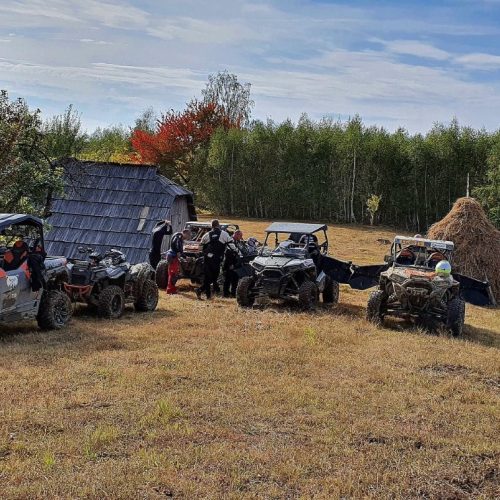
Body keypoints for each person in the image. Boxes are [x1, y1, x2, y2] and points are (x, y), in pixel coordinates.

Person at [196, 219, 232, 299]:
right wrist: (236, 251)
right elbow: (231, 244)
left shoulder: (206, 235)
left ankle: (202, 291)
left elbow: (200, 247)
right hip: (217, 260)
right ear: (218, 225)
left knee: (208, 277)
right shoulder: (224, 234)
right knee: (213, 277)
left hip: (207, 259)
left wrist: (206, 254)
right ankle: (206, 294)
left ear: (211, 226)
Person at [166, 228, 191, 295]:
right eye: (188, 235)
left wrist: (183, 256)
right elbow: (176, 245)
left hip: (173, 256)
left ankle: (172, 289)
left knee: (174, 273)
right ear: (185, 233)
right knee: (172, 274)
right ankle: (170, 290)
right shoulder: (178, 237)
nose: (188, 237)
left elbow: (179, 249)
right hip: (172, 256)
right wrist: (178, 252)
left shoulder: (178, 236)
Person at [223, 230, 245, 298]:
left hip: (236, 263)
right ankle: (226, 294)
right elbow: (228, 254)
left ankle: (233, 293)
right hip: (229, 263)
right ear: (236, 234)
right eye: (240, 236)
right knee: (228, 279)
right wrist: (230, 264)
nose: (241, 237)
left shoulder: (238, 242)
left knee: (235, 279)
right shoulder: (230, 241)